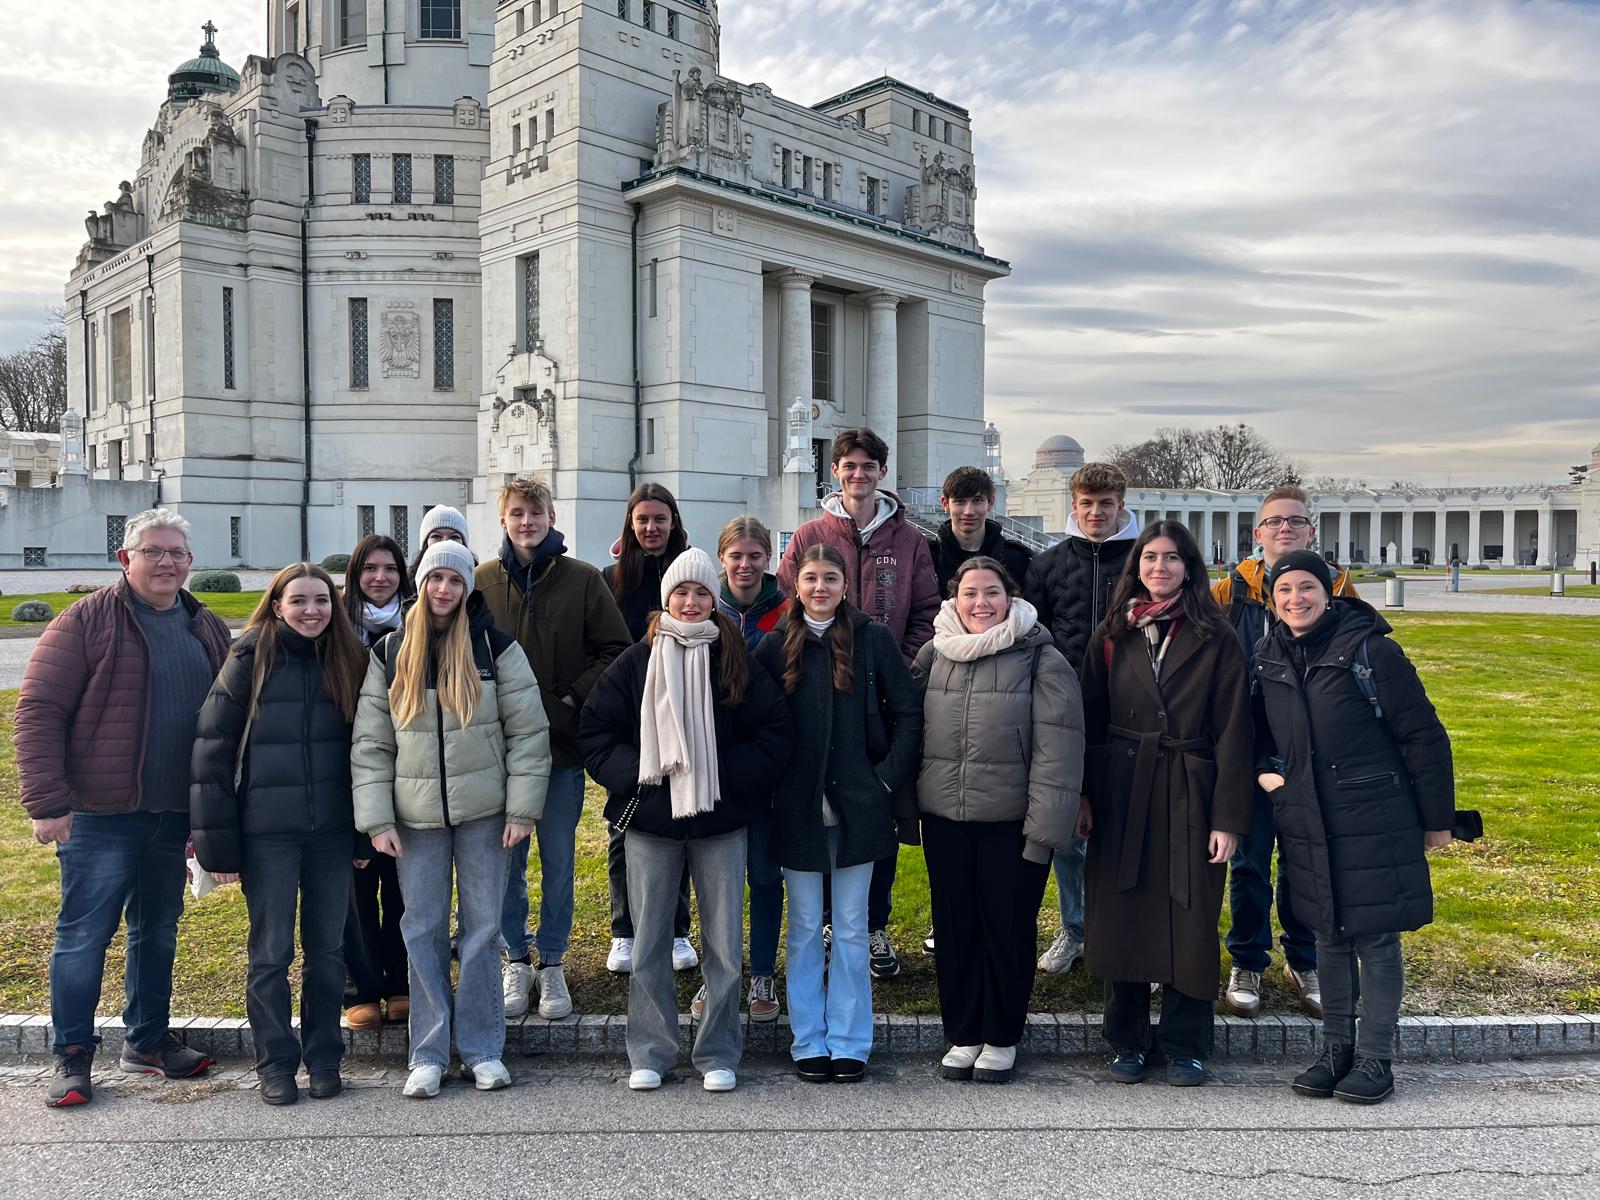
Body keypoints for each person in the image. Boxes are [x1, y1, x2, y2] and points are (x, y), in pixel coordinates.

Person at [16, 507, 230, 1108]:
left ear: (190, 563)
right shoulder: (84, 623)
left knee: (157, 931)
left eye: (178, 554)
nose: (167, 562)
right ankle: (73, 1054)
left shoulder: (204, 625)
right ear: (125, 559)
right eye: (154, 551)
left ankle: (147, 1041)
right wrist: (47, 802)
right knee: (84, 935)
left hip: (173, 814)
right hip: (99, 814)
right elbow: (37, 712)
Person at [580, 548, 791, 1094]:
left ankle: (719, 1051)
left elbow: (774, 732)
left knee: (723, 943)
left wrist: (723, 773)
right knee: (649, 941)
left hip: (721, 821)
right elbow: (596, 734)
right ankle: (651, 1051)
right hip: (653, 821)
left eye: (701, 592)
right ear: (666, 599)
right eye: (682, 593)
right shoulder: (636, 661)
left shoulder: (734, 656)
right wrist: (644, 775)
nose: (692, 602)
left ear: (712, 599)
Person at [1253, 551, 1456, 1105]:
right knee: (1327, 934)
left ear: (1330, 590)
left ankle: (1375, 1058)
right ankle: (1336, 1050)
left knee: (1377, 938)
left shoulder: (1373, 651)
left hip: (1374, 814)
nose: (1296, 598)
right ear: (1272, 601)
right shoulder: (1269, 656)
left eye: (1306, 587)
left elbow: (1424, 736)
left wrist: (1436, 819)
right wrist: (1271, 778)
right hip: (1306, 815)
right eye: (1284, 590)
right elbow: (1259, 735)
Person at [351, 541, 551, 1099]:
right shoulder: (391, 652)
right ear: (422, 583)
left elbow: (529, 734)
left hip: (487, 815)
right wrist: (377, 817)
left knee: (484, 931)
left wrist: (522, 809)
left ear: (467, 588)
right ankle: (429, 1051)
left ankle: (483, 1047)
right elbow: (371, 743)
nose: (443, 590)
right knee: (422, 930)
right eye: (435, 579)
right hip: (414, 820)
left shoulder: (495, 647)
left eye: (454, 581)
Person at [1080, 521, 1252, 1087]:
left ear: (1189, 567)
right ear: (1136, 566)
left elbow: (1233, 729)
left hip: (1189, 788)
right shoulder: (1111, 633)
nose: (1159, 568)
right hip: (1122, 788)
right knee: (1121, 912)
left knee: (1190, 914)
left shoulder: (1216, 635)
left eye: (1172, 558)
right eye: (1150, 557)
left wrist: (1227, 818)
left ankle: (1186, 1042)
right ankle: (1126, 1039)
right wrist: (1083, 794)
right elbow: (1086, 719)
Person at [190, 564, 368, 1105]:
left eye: (322, 600)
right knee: (270, 953)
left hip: (333, 833)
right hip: (267, 835)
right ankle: (275, 1062)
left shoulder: (350, 660)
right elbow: (211, 753)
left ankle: (323, 1057)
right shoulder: (250, 659)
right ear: (276, 605)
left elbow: (370, 753)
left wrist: (364, 835)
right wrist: (217, 845)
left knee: (328, 951)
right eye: (299, 601)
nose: (311, 610)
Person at [754, 545, 922, 1081]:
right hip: (797, 807)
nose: (820, 588)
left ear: (846, 586)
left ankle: (850, 1038)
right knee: (804, 924)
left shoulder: (873, 640)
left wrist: (885, 781)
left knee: (851, 925)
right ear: (795, 586)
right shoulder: (774, 645)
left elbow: (910, 715)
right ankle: (809, 1039)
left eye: (830, 578)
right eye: (810, 579)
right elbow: (756, 722)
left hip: (860, 803)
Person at [778, 427, 941, 978]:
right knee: (820, 813)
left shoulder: (909, 539)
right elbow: (788, 605)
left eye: (867, 466)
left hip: (883, 695)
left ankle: (873, 925)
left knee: (878, 808)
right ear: (836, 472)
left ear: (881, 473)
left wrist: (897, 667)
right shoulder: (811, 534)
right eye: (848, 465)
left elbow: (925, 611)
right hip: (822, 691)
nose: (857, 474)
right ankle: (828, 921)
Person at [913, 557, 1082, 1084]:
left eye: (991, 593)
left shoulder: (1040, 658)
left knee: (1006, 931)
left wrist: (1043, 833)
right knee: (957, 929)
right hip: (945, 820)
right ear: (954, 598)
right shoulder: (934, 654)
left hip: (1012, 825)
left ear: (1009, 597)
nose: (981, 604)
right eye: (970, 593)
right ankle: (963, 1032)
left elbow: (1060, 754)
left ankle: (1002, 1035)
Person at [476, 477, 631, 1021]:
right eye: (517, 513)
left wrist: (569, 698)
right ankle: (515, 956)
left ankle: (553, 962)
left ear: (550, 517)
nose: (526, 523)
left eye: (535, 513)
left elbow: (615, 649)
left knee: (558, 859)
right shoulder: (482, 582)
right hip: (497, 753)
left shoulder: (582, 579)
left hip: (559, 748)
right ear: (503, 519)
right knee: (506, 863)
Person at [1214, 484, 1358, 1021]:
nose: (1284, 529)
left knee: (1306, 860)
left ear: (1310, 530)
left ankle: (1305, 957)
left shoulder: (1337, 592)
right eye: (1274, 522)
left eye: (1294, 521)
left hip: (1315, 750)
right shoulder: (1231, 593)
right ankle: (1247, 959)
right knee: (1249, 862)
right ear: (1257, 533)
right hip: (1250, 746)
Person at [1022, 462, 1140, 978]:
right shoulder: (1047, 565)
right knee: (1070, 830)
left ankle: (1125, 932)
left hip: (1131, 713)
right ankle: (1075, 929)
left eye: (1106, 503)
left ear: (1121, 506)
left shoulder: (1144, 562)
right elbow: (1034, 637)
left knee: (1129, 830)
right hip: (1066, 713)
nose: (1096, 513)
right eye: (1087, 504)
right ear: (1073, 506)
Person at [600, 483, 696, 976]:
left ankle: (678, 930)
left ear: (673, 522)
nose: (651, 528)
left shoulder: (690, 573)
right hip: (631, 716)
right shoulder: (612, 578)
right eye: (643, 520)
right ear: (630, 525)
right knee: (628, 821)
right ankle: (624, 930)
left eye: (660, 519)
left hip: (684, 714)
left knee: (679, 820)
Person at [699, 515, 788, 1024]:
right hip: (716, 766)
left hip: (767, 763)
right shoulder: (706, 609)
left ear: (768, 560)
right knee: (719, 879)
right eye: (736, 555)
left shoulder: (787, 610)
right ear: (722, 559)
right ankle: (720, 974)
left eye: (755, 555)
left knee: (765, 874)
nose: (746, 564)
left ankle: (761, 974)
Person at [339, 533, 416, 1031]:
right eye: (370, 568)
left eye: (390, 568)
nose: (380, 578)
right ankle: (362, 987)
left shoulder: (422, 627)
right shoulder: (336, 629)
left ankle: (403, 983)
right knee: (357, 886)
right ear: (355, 576)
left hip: (411, 772)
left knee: (406, 889)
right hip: (350, 772)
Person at [927, 466, 1034, 601]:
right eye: (960, 501)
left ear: (990, 502)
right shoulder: (927, 558)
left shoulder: (1018, 560)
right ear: (945, 503)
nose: (969, 511)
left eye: (977, 501)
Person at [406, 504, 471, 579]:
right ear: (425, 542)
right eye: (436, 536)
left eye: (454, 537)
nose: (445, 542)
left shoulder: (479, 579)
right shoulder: (406, 581)